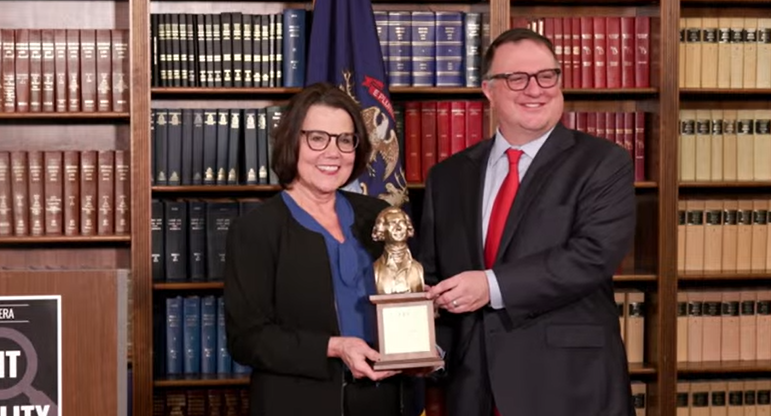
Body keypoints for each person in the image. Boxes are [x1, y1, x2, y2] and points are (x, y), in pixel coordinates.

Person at [421, 28, 637, 416]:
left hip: (568, 385)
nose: (534, 89)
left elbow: (592, 256)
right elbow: (435, 278)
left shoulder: (604, 163)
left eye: (546, 76)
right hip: (474, 389)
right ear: (488, 90)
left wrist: (490, 285)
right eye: (517, 78)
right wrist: (424, 349)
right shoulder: (448, 177)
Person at [223, 82, 422, 416]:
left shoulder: (378, 217)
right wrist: (335, 348)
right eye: (317, 138)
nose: (333, 153)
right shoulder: (256, 229)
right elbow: (247, 339)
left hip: (385, 400)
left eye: (346, 140)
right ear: (292, 141)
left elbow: (403, 294)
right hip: (299, 403)